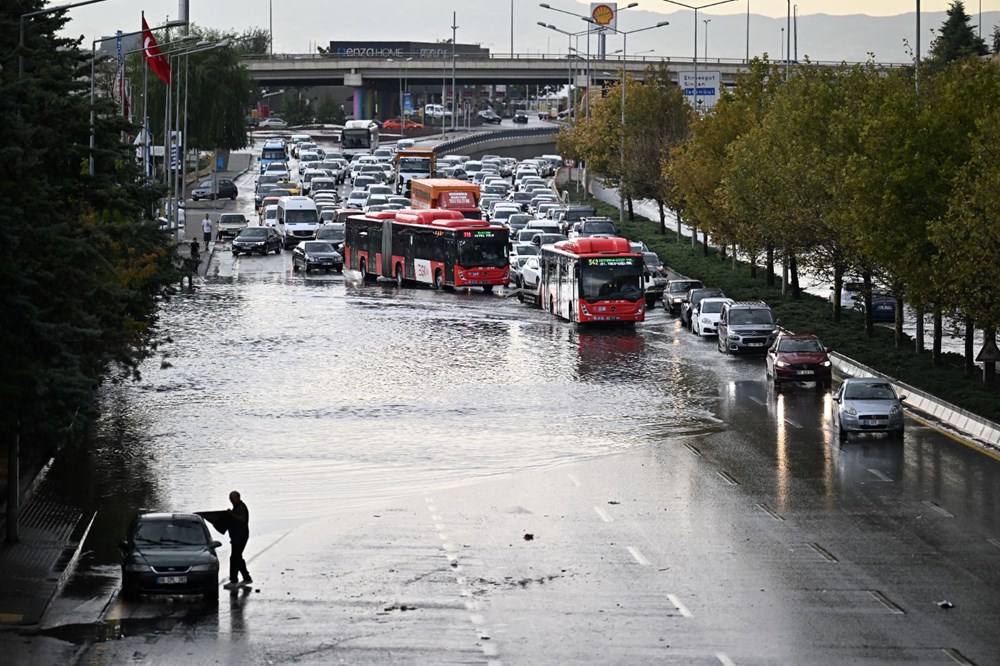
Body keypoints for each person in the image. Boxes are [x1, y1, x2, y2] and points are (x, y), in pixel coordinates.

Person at [223, 490, 252, 589]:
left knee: (234, 558)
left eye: (232, 498)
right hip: (236, 537)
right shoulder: (236, 507)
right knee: (237, 557)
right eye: (230, 498)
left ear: (238, 497)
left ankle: (234, 581)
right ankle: (247, 578)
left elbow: (243, 520)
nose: (231, 500)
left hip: (241, 537)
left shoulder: (242, 507)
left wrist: (231, 514)